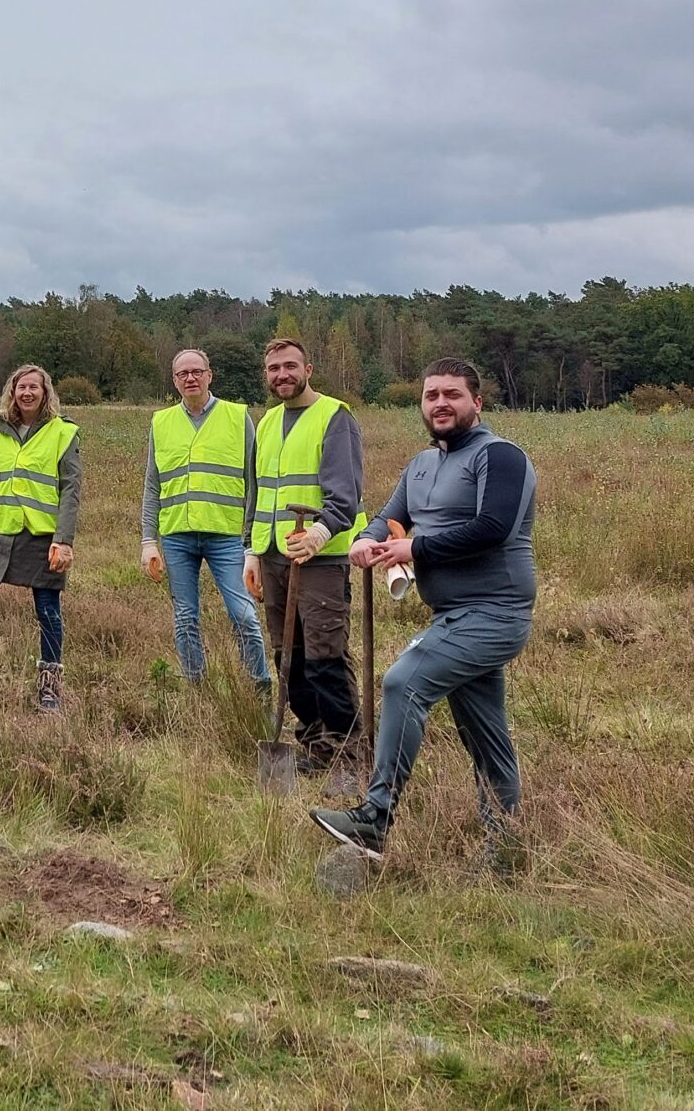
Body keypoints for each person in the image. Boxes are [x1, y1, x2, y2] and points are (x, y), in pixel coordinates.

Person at [316, 358, 537, 870]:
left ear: (476, 402)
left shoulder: (501, 456)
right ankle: (506, 850)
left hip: (496, 612)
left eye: (452, 394)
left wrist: (413, 549)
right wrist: (366, 540)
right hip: (451, 615)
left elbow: (493, 528)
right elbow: (389, 517)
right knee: (486, 737)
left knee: (403, 683)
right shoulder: (419, 465)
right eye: (431, 395)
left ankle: (375, 817)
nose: (440, 403)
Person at [242, 337, 367, 772]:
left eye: (290, 366)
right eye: (274, 368)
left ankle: (348, 754)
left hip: (321, 560)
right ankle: (314, 745)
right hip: (274, 557)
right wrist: (252, 552)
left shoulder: (334, 417)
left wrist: (319, 533)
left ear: (308, 370)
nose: (282, 375)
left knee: (324, 657)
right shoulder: (267, 423)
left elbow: (345, 496)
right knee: (288, 657)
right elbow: (258, 494)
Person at [142, 348, 272, 688]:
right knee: (185, 618)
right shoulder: (161, 422)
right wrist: (148, 541)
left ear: (209, 375)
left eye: (197, 371)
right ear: (174, 381)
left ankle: (258, 686)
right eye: (183, 373)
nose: (190, 378)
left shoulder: (237, 417)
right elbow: (152, 485)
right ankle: (196, 687)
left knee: (244, 615)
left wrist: (252, 541)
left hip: (226, 537)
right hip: (177, 536)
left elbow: (254, 483)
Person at [0, 365, 80, 710]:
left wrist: (64, 539)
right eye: (21, 387)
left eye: (33, 387)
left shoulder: (63, 432)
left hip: (43, 536)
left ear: (46, 393)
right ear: (12, 392)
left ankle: (49, 685)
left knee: (47, 611)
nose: (27, 393)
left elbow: (70, 490)